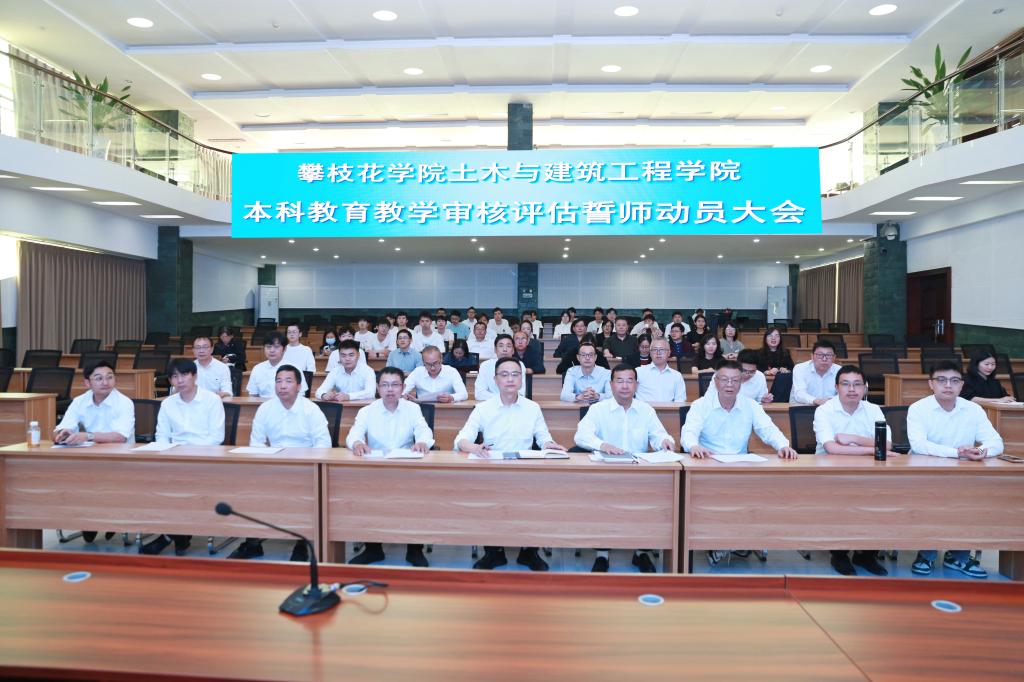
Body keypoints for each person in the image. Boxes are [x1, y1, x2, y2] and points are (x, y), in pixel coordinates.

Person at [455, 356, 568, 571]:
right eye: (504, 375)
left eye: (515, 374)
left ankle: (529, 551)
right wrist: (475, 447)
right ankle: (493, 552)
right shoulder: (483, 408)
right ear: (496, 379)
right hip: (492, 468)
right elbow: (461, 439)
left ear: (521, 379)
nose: (510, 379)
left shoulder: (532, 407)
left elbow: (543, 437)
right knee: (484, 498)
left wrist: (550, 444)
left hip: (525, 469)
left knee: (537, 499)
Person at [681, 361, 797, 567]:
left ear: (741, 382)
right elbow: (688, 432)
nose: (730, 385)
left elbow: (767, 429)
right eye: (725, 380)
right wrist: (693, 446)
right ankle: (719, 542)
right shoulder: (701, 405)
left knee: (765, 492)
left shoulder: (750, 405)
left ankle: (745, 538)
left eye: (735, 380)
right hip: (708, 466)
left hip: (740, 466)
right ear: (715, 381)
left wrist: (782, 445)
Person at [907, 361, 1004, 579]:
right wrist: (957, 453)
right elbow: (919, 445)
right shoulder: (918, 408)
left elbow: (997, 443)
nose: (948, 385)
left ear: (962, 385)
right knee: (932, 501)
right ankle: (926, 554)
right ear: (931, 384)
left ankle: (959, 556)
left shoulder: (973, 409)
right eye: (941, 380)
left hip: (963, 473)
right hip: (926, 473)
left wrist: (981, 451)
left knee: (971, 500)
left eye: (954, 381)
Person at [574, 363, 675, 572]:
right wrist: (603, 445)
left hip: (638, 473)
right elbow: (581, 436)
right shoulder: (598, 409)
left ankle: (641, 552)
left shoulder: (645, 410)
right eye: (619, 381)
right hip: (606, 473)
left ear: (636, 385)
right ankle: (602, 554)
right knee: (602, 505)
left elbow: (659, 435)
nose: (625, 386)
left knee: (650, 504)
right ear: (611, 385)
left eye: (630, 381)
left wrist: (665, 442)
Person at [231, 365, 331, 561]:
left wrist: (306, 464)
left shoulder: (311, 410)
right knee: (248, 487)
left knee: (305, 492)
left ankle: (303, 543)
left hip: (306, 468)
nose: (282, 386)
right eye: (278, 381)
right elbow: (256, 443)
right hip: (274, 467)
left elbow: (323, 444)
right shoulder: (265, 409)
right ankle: (253, 543)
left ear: (299, 386)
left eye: (288, 381)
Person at [346, 367, 434, 567]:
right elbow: (354, 434)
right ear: (378, 388)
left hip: (407, 467)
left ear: (403, 387)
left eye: (395, 385)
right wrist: (357, 443)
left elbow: (424, 431)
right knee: (365, 496)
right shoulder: (367, 411)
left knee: (417, 498)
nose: (390, 389)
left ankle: (414, 549)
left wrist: (422, 442)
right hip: (376, 468)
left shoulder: (412, 409)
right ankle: (373, 549)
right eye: (385, 385)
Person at [812, 365, 894, 576]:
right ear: (836, 387)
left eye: (857, 384)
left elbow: (887, 444)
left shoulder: (873, 409)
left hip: (869, 471)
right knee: (841, 501)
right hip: (831, 471)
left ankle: (866, 555)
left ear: (865, 387)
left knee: (881, 501)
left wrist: (852, 439)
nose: (852, 389)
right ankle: (839, 554)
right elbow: (832, 449)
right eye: (846, 384)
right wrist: (872, 449)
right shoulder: (824, 410)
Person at [140, 358, 226, 556]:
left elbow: (216, 438)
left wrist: (188, 454)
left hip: (205, 460)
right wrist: (168, 455)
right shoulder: (168, 403)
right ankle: (178, 536)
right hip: (174, 460)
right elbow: (162, 435)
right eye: (174, 376)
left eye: (184, 375)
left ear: (194, 376)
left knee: (182, 486)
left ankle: (169, 537)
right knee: (154, 485)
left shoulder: (212, 400)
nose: (179, 380)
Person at [51, 360, 135, 545]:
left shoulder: (124, 403)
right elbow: (61, 427)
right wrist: (63, 433)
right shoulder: (79, 401)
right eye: (99, 378)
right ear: (87, 383)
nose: (105, 382)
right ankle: (89, 520)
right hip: (90, 456)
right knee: (71, 477)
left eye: (109, 377)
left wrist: (87, 436)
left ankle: (106, 520)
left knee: (102, 480)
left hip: (121, 458)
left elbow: (120, 437)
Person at [246, 331, 308, 397]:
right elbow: (253, 395)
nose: (272, 350)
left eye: (276, 347)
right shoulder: (257, 369)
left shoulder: (294, 368)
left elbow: (301, 395)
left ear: (284, 349)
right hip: (263, 403)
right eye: (268, 347)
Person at [705, 349, 772, 404]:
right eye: (744, 370)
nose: (747, 374)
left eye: (752, 372)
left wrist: (764, 401)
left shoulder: (760, 377)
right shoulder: (722, 374)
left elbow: (761, 400)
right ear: (737, 365)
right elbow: (708, 398)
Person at [403, 347, 468, 402]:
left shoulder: (451, 371)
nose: (432, 368)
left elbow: (464, 394)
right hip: (423, 409)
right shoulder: (417, 372)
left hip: (446, 409)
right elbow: (402, 390)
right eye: (428, 364)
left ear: (441, 359)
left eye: (435, 363)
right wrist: (404, 396)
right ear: (423, 362)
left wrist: (451, 397)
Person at [474, 335, 526, 401]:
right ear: (495, 350)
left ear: (513, 350)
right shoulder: (485, 365)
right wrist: (503, 398)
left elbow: (521, 393)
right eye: (501, 346)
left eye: (508, 346)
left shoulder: (519, 365)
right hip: (491, 405)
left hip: (513, 405)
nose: (505, 349)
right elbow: (479, 394)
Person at [790, 340, 841, 405]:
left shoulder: (840, 371)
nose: (824, 359)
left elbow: (843, 393)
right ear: (812, 356)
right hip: (804, 407)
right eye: (820, 355)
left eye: (828, 355)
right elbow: (800, 394)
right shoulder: (800, 368)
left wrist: (830, 402)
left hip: (831, 407)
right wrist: (816, 401)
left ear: (834, 357)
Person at [635, 338, 686, 403]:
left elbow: (680, 400)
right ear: (650, 353)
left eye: (662, 349)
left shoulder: (677, 376)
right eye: (655, 349)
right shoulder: (638, 372)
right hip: (643, 409)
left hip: (669, 409)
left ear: (669, 353)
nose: (658, 353)